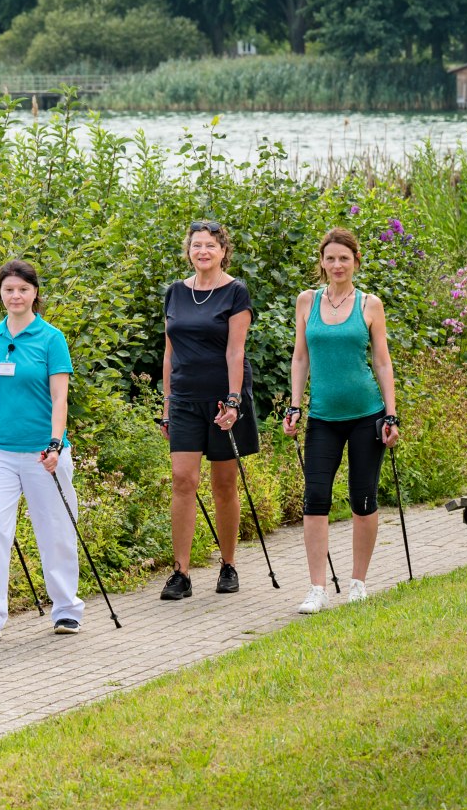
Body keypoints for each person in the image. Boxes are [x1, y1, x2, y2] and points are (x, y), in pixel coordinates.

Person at [282, 227, 400, 613]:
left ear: (355, 262)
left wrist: (391, 413)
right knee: (315, 498)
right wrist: (294, 405)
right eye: (330, 258)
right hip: (322, 417)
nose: (336, 265)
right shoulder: (306, 302)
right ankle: (317, 588)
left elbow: (382, 361)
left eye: (344, 259)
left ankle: (358, 583)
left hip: (367, 415)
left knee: (363, 499)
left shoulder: (370, 304)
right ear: (322, 262)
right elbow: (300, 358)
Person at [0, 259, 84, 641]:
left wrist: (55, 444)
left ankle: (66, 610)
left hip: (43, 453)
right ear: (0, 294)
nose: (15, 296)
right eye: (8, 290)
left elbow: (60, 397)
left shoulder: (52, 338)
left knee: (55, 531)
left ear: (35, 292)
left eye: (22, 289)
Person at [159, 219, 260, 600]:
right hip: (183, 399)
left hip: (222, 399)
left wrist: (234, 401)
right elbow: (168, 352)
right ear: (189, 250)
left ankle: (228, 564)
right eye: (196, 245)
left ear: (223, 251)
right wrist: (166, 403)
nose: (203, 252)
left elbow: (236, 350)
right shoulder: (174, 293)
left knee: (223, 485)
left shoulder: (235, 292)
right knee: (183, 480)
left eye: (210, 246)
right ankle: (181, 573)